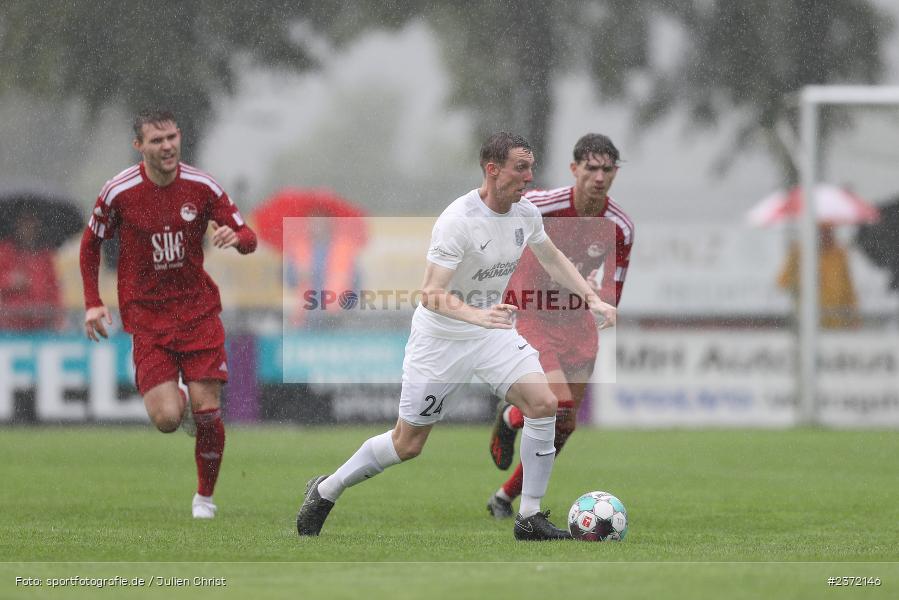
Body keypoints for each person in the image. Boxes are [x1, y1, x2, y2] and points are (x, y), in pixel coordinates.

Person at [296, 132, 617, 541]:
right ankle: (326, 490)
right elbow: (430, 294)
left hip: (491, 332)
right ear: (492, 169)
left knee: (544, 403)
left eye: (531, 167)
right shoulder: (458, 221)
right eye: (521, 168)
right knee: (406, 444)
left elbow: (552, 258)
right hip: (442, 340)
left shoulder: (526, 213)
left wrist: (592, 298)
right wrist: (478, 315)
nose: (529, 176)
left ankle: (529, 517)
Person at [80, 109, 257, 518]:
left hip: (197, 312)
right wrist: (93, 300)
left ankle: (204, 499)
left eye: (172, 137)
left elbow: (249, 237)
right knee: (166, 419)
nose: (168, 147)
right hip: (147, 318)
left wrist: (238, 238)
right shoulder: (118, 192)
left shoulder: (202, 185)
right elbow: (91, 245)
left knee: (209, 410)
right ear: (138, 146)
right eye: (157, 141)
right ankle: (181, 401)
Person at [485, 133, 635, 519]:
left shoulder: (620, 226)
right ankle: (511, 418)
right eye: (591, 168)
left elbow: (614, 279)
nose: (599, 177)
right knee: (558, 403)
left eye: (607, 169)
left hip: (577, 322)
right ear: (575, 169)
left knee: (565, 424)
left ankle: (504, 496)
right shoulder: (542, 204)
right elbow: (497, 209)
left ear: (615, 172)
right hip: (533, 312)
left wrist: (607, 305)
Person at [777, 224, 860, 329]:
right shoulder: (800, 253)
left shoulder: (839, 254)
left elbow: (849, 289)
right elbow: (782, 282)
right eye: (822, 231)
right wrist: (793, 260)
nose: (825, 235)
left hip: (836, 321)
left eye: (828, 231)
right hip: (808, 321)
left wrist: (854, 318)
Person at [0, 213, 63, 331]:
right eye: (24, 223)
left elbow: (54, 288)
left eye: (32, 223)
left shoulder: (45, 255)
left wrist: (58, 317)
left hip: (41, 324)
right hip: (10, 325)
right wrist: (10, 281)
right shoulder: (5, 250)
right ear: (17, 225)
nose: (28, 227)